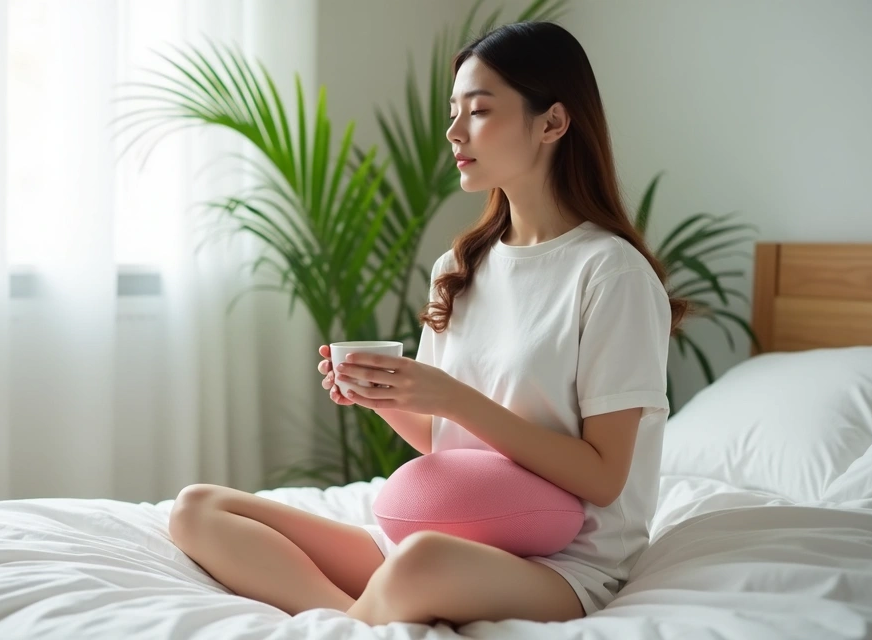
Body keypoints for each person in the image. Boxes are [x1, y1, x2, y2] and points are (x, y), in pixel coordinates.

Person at [167, 21, 685, 627]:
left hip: (564, 563)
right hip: (442, 536)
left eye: (480, 111)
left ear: (552, 123)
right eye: (453, 111)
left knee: (420, 563)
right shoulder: (461, 266)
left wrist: (450, 396)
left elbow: (601, 477)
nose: (454, 131)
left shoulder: (610, 273)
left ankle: (352, 617)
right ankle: (351, 618)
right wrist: (383, 396)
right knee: (196, 509)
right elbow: (449, 441)